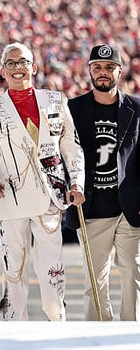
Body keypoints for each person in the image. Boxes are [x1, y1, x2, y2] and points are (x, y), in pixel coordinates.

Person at [0, 42, 86, 321]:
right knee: (13, 275)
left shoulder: (55, 100)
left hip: (51, 199)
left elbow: (71, 147)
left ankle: (57, 327)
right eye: (11, 64)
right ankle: (15, 336)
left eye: (23, 62)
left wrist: (76, 182)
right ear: (3, 71)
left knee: (53, 273)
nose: (18, 68)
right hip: (10, 201)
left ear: (34, 67)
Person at [65, 44, 140, 321]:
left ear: (119, 71)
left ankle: (130, 332)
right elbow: (63, 155)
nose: (103, 72)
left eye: (109, 67)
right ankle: (98, 336)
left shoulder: (136, 107)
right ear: (89, 71)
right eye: (97, 67)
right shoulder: (73, 108)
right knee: (95, 284)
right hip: (92, 208)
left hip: (127, 209)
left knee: (132, 272)